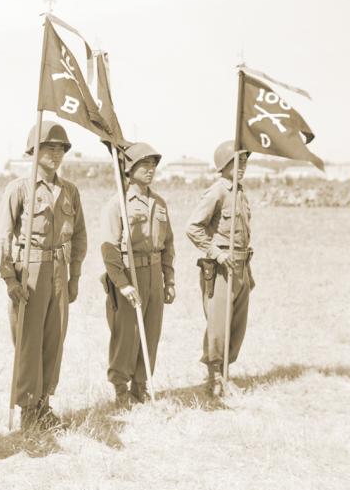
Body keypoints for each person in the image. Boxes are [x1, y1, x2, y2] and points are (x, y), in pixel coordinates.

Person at [0, 121, 87, 431]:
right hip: (30, 271)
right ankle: (27, 407)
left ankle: (44, 403)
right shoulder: (19, 188)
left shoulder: (70, 191)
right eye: (49, 147)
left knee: (54, 339)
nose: (56, 153)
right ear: (33, 151)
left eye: (61, 148)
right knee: (29, 341)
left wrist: (74, 277)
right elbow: (5, 237)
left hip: (59, 270)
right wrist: (10, 279)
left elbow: (79, 237)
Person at [101, 143, 175, 407]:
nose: (151, 170)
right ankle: (121, 387)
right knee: (127, 334)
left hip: (155, 274)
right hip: (130, 275)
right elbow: (109, 250)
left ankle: (141, 385)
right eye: (144, 165)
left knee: (151, 333)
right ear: (129, 170)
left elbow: (168, 244)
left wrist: (169, 279)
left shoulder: (159, 203)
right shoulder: (117, 204)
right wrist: (121, 284)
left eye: (153, 165)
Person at [186, 140, 255, 396]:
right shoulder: (217, 192)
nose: (241, 167)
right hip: (221, 267)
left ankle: (226, 373)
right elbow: (193, 227)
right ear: (223, 165)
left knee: (237, 324)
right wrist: (215, 252)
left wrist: (248, 272)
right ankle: (214, 377)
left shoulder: (240, 193)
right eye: (236, 162)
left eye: (245, 162)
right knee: (219, 325)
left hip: (241, 265)